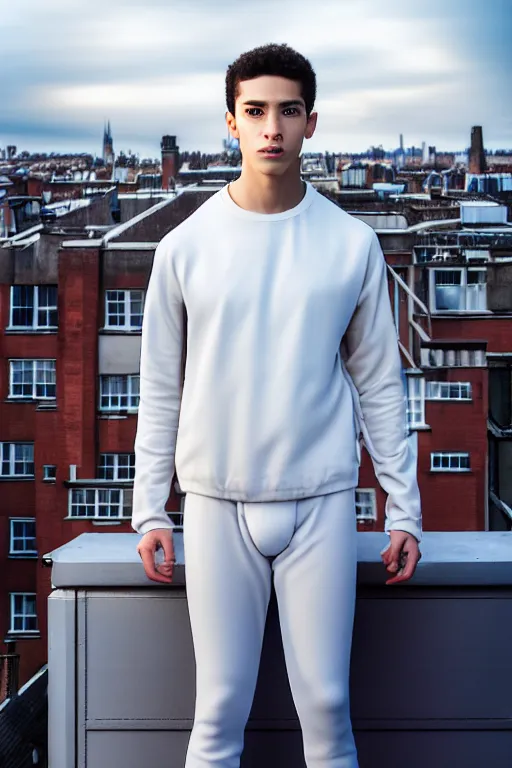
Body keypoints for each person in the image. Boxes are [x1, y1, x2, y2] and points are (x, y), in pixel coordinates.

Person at [132, 42, 422, 768]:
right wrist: (149, 510)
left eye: (287, 111)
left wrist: (404, 508)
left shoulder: (352, 246)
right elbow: (159, 386)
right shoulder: (183, 248)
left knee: (327, 710)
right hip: (214, 501)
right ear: (230, 122)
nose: (271, 129)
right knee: (218, 710)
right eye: (255, 111)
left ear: (311, 123)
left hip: (320, 500)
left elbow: (381, 384)